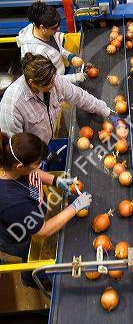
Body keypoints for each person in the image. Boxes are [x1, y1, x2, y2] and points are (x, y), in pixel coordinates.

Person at [0, 131, 92, 287]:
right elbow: (43, 231)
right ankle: (30, 280)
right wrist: (74, 207)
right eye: (36, 164)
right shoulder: (13, 201)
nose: (38, 166)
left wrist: (55, 180)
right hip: (17, 235)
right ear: (20, 167)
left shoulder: (11, 158)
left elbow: (33, 173)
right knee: (28, 253)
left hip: (31, 212)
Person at [0, 53, 118, 144]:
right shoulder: (12, 106)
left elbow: (80, 97)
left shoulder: (53, 80)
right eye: (49, 84)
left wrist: (106, 111)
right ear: (32, 83)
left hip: (47, 139)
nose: (54, 84)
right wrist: (34, 164)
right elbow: (14, 147)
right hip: (31, 152)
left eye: (54, 79)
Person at [16, 1, 86, 84]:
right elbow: (48, 80)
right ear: (42, 28)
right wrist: (74, 78)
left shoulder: (43, 30)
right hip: (52, 85)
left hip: (61, 74)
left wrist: (70, 57)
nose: (58, 29)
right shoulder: (35, 53)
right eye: (55, 28)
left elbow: (56, 48)